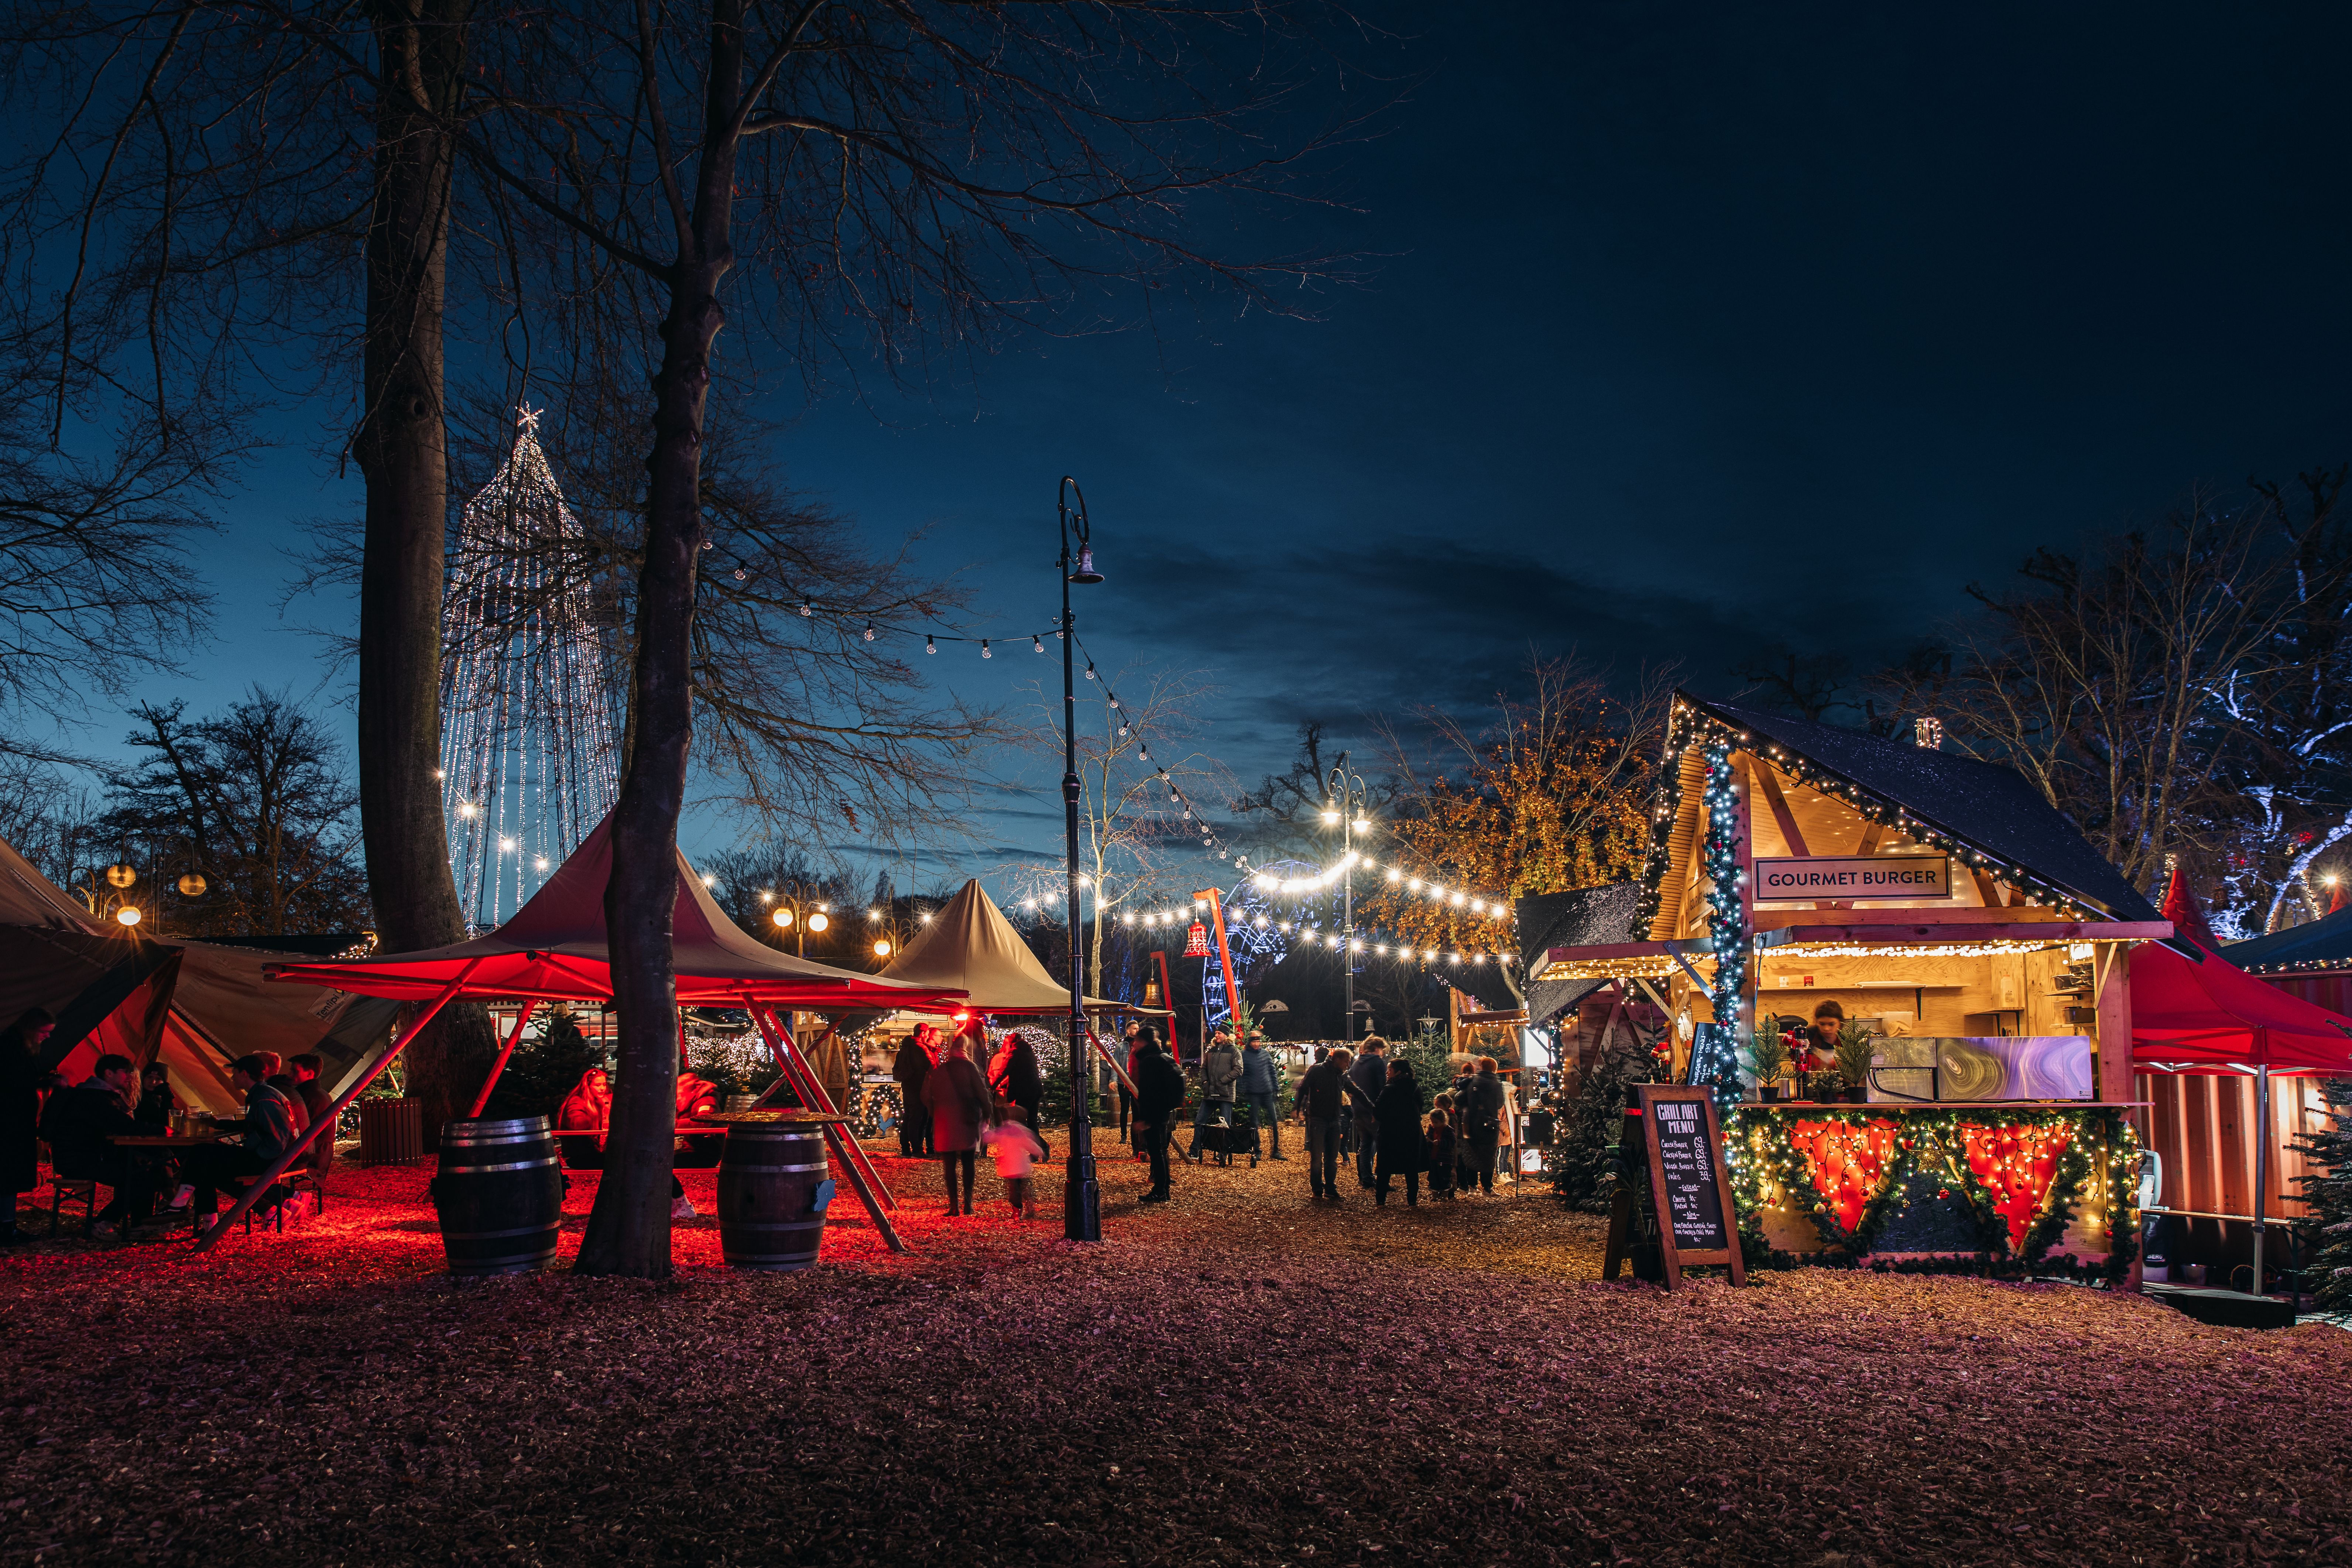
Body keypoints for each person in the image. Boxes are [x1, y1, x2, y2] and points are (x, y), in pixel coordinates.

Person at [40, 1053, 157, 1238]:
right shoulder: (94, 1097)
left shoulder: (97, 1095)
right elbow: (123, 1125)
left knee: (143, 1171)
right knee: (139, 1178)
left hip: (85, 1157)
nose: (130, 1077)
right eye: (126, 1072)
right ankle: (103, 1223)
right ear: (109, 1073)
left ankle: (139, 1225)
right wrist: (163, 1131)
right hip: (78, 1161)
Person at [173, 1054, 298, 1219]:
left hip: (270, 1159)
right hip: (277, 1157)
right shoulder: (266, 1093)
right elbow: (256, 1126)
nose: (233, 1077)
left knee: (202, 1153)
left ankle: (181, 1204)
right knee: (206, 1162)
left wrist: (258, 1154)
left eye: (235, 1073)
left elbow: (277, 1139)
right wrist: (219, 1125)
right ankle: (270, 1211)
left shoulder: (264, 1098)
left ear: (244, 1074)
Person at [922, 1031, 992, 1216]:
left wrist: (934, 1111)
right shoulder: (971, 1068)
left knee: (949, 1165)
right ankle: (968, 1204)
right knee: (969, 1162)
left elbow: (925, 1095)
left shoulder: (938, 1070)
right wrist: (987, 1113)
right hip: (967, 1119)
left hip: (945, 1121)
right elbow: (982, 1093)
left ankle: (954, 1206)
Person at [0, 1009, 52, 1246]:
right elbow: (15, 1082)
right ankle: (6, 1228)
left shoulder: (22, 1050)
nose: (47, 1037)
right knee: (8, 1175)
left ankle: (8, 1225)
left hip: (17, 1122)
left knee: (9, 1177)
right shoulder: (11, 1049)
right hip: (10, 1124)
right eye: (44, 1032)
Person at [1130, 1035, 1186, 1204]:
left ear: (1145, 1042)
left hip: (1155, 1112)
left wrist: (1145, 1119)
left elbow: (1149, 1091)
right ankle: (1163, 1187)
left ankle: (1160, 1190)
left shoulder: (1149, 1061)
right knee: (1161, 1151)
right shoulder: (1163, 1057)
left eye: (1138, 1041)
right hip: (1164, 1110)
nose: (1134, 1044)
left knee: (1156, 1152)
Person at [1294, 1046, 1352, 1201]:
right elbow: (1303, 1089)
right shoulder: (1317, 1071)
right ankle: (1318, 1189)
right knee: (1317, 1157)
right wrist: (1298, 1110)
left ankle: (1330, 1188)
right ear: (1337, 1060)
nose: (1348, 1065)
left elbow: (1356, 1090)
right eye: (1346, 1061)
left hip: (1334, 1119)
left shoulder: (1341, 1075)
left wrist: (1372, 1107)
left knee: (1331, 1158)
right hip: (1318, 1119)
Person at [1371, 1059, 1428, 1207]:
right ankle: (1412, 1200)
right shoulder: (1415, 1087)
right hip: (1411, 1130)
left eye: (1389, 1070)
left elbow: (1378, 1111)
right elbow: (1420, 1106)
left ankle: (1381, 1200)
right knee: (1411, 1167)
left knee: (1385, 1166)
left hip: (1390, 1131)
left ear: (1398, 1072)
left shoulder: (1389, 1089)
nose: (1387, 1072)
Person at [981, 1101, 1046, 1219]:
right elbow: (1030, 1144)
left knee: (1014, 1191)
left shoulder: (1004, 1130)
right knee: (1025, 1188)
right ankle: (1030, 1208)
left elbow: (988, 1137)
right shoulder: (1021, 1131)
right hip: (1022, 1166)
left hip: (1010, 1168)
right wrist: (1041, 1152)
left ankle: (1017, 1210)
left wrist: (985, 1127)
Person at [1456, 1055, 1507, 1196]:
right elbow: (1500, 1104)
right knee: (1489, 1155)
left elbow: (1459, 1099)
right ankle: (1487, 1187)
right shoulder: (1497, 1084)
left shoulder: (1472, 1081)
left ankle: (1472, 1187)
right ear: (1494, 1070)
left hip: (1472, 1123)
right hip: (1490, 1125)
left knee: (1473, 1154)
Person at [991, 1030, 1046, 1155]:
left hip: (1024, 1091)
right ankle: (1037, 1151)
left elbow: (1005, 1070)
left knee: (1020, 1123)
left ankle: (1039, 1147)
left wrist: (993, 1086)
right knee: (1032, 1121)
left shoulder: (1016, 1051)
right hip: (1036, 1090)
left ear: (1012, 1042)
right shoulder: (1028, 1051)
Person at [1345, 1037, 1389, 1188]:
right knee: (1383, 1145)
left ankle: (1367, 1178)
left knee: (1365, 1145)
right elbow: (1383, 1087)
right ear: (1378, 1049)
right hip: (1373, 1110)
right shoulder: (1377, 1063)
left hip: (1358, 1110)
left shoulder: (1356, 1064)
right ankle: (1383, 1180)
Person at [286, 1054, 334, 1176]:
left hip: (310, 1156)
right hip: (321, 1153)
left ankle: (291, 1195)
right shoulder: (321, 1094)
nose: (290, 1075)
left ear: (309, 1074)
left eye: (295, 1071)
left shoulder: (306, 1097)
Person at [892, 1027, 936, 1157]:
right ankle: (917, 1150)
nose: (928, 1035)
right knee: (917, 1119)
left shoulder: (904, 1049)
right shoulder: (920, 1048)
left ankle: (905, 1149)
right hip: (920, 1088)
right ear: (923, 1033)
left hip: (907, 1088)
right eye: (928, 1032)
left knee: (908, 1117)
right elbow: (932, 1065)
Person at [1240, 1032, 1284, 1160]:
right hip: (1253, 1093)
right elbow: (1242, 1074)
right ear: (1250, 1042)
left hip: (1267, 1092)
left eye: (1258, 1042)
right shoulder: (1244, 1056)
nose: (1257, 1044)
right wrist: (1243, 1089)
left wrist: (1276, 1088)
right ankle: (1257, 1150)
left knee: (1275, 1122)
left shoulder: (1265, 1054)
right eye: (1254, 1042)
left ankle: (1276, 1150)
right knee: (1254, 1123)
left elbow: (1272, 1071)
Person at [1117, 1019, 1144, 1141]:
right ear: (1129, 1031)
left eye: (1138, 1028)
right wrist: (1113, 1079)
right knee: (1124, 1109)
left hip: (1136, 1082)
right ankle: (1124, 1135)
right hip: (1123, 1082)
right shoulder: (1121, 1046)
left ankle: (1136, 1137)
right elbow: (1116, 1064)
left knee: (1136, 1110)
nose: (1138, 1030)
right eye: (1135, 1028)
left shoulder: (1141, 1045)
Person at [134, 1063, 177, 1134]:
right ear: (143, 1079)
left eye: (158, 1079)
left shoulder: (158, 1099)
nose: (153, 1082)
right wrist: (167, 1099)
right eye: (150, 1077)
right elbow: (164, 1122)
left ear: (164, 1083)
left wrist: (167, 1098)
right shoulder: (137, 1099)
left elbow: (177, 1117)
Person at [1425, 1108, 1458, 1201]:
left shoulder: (1448, 1130)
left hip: (1444, 1159)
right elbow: (1427, 1137)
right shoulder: (1432, 1129)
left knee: (1445, 1177)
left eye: (1436, 1122)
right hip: (1434, 1158)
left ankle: (1445, 1195)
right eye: (1433, 1122)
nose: (1434, 1124)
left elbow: (1452, 1142)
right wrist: (1427, 1140)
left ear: (1443, 1121)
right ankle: (1434, 1195)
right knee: (1433, 1177)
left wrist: (1440, 1143)